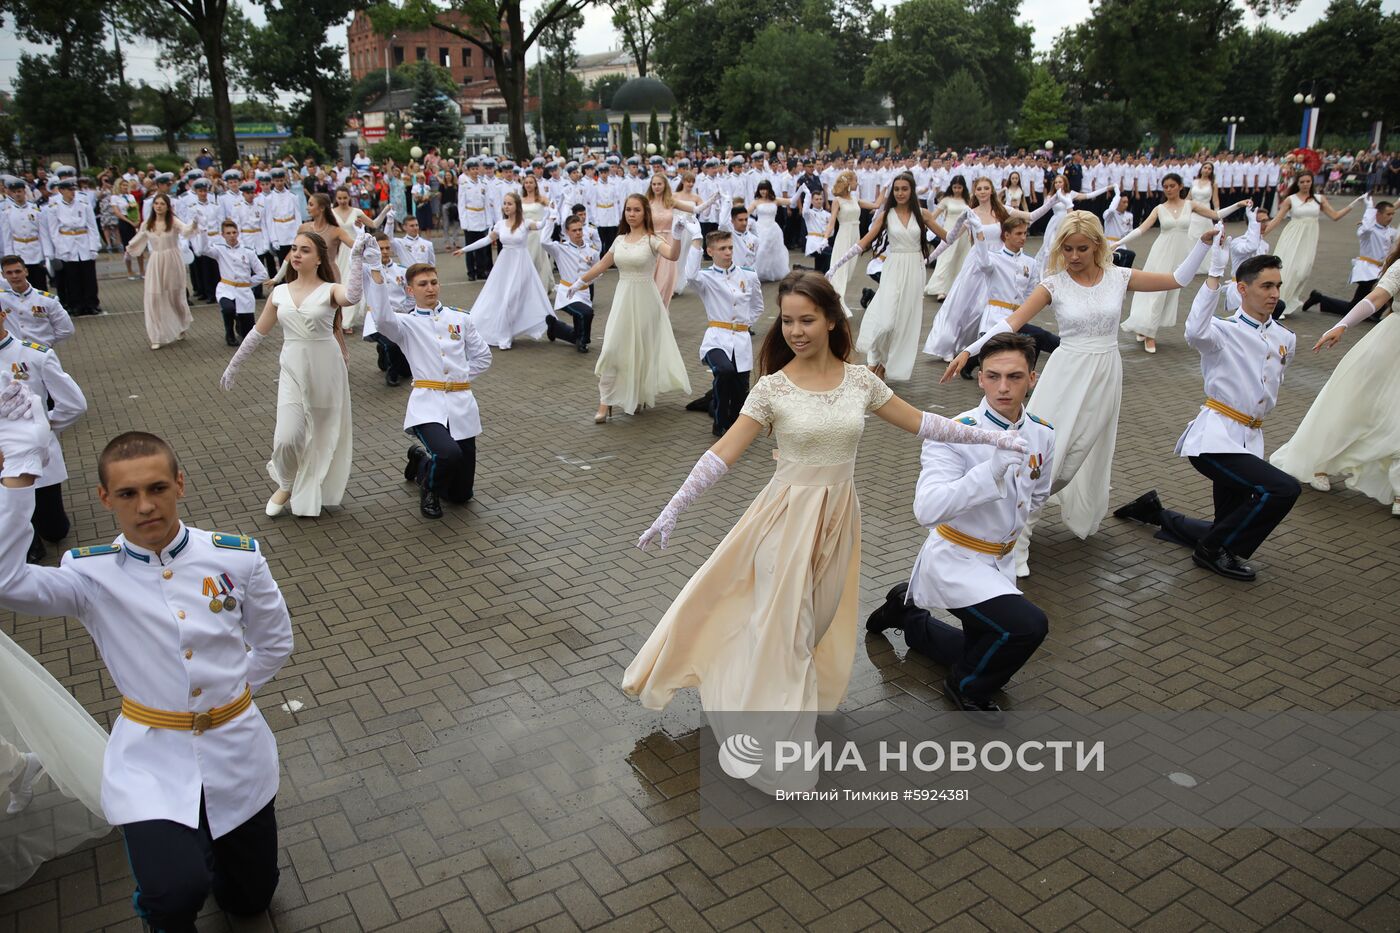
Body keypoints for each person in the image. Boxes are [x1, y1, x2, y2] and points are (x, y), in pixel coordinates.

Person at [620, 272, 1026, 792]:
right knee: (789, 635)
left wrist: (995, 439)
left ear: (832, 319)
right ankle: (780, 752)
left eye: (806, 319)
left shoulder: (860, 381)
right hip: (784, 523)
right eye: (787, 320)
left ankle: (747, 685)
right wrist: (674, 506)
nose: (795, 330)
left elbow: (924, 422)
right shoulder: (771, 389)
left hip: (838, 522)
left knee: (811, 626)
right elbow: (724, 452)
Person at [0, 421, 293, 933]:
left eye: (157, 488)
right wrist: (21, 478)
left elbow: (274, 644)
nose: (145, 507)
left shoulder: (235, 557)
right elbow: (7, 580)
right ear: (104, 497)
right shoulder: (89, 574)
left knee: (250, 900)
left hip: (237, 746)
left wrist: (228, 697)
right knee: (175, 892)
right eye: (127, 493)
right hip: (150, 757)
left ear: (179, 484)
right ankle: (163, 909)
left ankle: (221, 867)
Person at [943, 213, 1215, 576]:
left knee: (1074, 459)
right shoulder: (1054, 284)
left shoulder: (1120, 277)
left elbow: (1178, 279)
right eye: (1067, 249)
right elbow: (1011, 322)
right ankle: (1016, 540)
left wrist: (1204, 245)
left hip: (1105, 373)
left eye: (1082, 249)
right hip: (1065, 373)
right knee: (1043, 458)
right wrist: (970, 350)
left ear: (1098, 246)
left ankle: (1015, 518)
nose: (1073, 256)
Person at [866, 333, 1054, 723]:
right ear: (980, 378)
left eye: (1015, 377)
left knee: (984, 644)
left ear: (1032, 379)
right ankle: (966, 685)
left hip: (1001, 564)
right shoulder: (953, 431)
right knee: (1026, 628)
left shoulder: (1043, 433)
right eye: (993, 376)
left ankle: (908, 613)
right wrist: (990, 471)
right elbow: (927, 509)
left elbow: (1036, 496)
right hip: (956, 559)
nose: (1004, 387)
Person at [1113, 251, 1299, 581]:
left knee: (1225, 525)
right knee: (1282, 489)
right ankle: (1211, 552)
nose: (1274, 294)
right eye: (1266, 286)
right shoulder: (1221, 331)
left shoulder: (1285, 337)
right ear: (1242, 289)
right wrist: (1213, 275)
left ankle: (1155, 513)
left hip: (1251, 440)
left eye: (1278, 286)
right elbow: (1195, 330)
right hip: (1215, 439)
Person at [219, 232, 359, 518]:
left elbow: (352, 296)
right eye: (294, 249)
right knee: (287, 437)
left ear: (319, 258)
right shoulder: (279, 293)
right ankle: (285, 483)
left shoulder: (330, 290)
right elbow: (257, 333)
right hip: (292, 369)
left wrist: (356, 261)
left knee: (320, 435)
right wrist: (234, 364)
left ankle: (310, 487)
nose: (296, 254)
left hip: (326, 371)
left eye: (304, 250)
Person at [1271, 240, 1400, 516]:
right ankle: (1317, 460)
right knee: (1352, 406)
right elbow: (1375, 299)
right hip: (1390, 345)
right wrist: (1341, 325)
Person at [366, 255, 492, 519]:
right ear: (410, 290)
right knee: (448, 453)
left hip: (461, 404)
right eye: (423, 284)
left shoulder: (460, 318)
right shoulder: (405, 324)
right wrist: (376, 272)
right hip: (428, 404)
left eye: (434, 282)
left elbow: (483, 357)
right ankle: (429, 490)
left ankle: (420, 460)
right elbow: (381, 317)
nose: (430, 288)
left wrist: (460, 378)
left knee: (461, 495)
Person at [567, 194, 692, 422]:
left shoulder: (652, 240)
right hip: (623, 300)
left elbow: (673, 255)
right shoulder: (619, 240)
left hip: (646, 302)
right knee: (612, 350)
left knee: (641, 350)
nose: (631, 214)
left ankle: (639, 394)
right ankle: (605, 403)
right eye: (628, 210)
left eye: (636, 210)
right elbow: (602, 265)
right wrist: (578, 283)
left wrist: (676, 234)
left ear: (645, 213)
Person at [826, 172, 947, 382]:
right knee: (886, 321)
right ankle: (874, 361)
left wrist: (969, 223)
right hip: (893, 268)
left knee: (902, 323)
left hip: (914, 271)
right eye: (897, 189)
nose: (900, 193)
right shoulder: (886, 215)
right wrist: (837, 264)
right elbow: (862, 243)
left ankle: (882, 366)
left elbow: (948, 238)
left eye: (904, 189)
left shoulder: (923, 214)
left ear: (911, 190)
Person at [0, 301, 85, 562]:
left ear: (2, 315)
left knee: (55, 530)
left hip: (33, 452)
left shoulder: (34, 355)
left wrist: (43, 426)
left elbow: (74, 404)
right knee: (17, 521)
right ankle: (26, 543)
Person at [1114, 172, 1232, 353]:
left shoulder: (1190, 205)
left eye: (1172, 185)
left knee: (1169, 295)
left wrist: (1239, 205)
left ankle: (1145, 328)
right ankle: (1149, 335)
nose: (1169, 189)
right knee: (1156, 293)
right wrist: (1118, 243)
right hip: (1160, 254)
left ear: (1180, 187)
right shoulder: (1159, 208)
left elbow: (1216, 214)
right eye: (1166, 186)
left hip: (1179, 256)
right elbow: (1141, 229)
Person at [454, 192, 554, 350]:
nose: (506, 207)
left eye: (510, 204)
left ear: (517, 206)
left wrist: (550, 213)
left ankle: (505, 335)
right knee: (499, 299)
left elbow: (541, 225)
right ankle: (502, 333)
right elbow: (487, 240)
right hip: (504, 266)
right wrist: (465, 249)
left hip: (521, 266)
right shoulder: (500, 224)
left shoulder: (525, 223)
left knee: (510, 300)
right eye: (505, 203)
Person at [688, 230, 763, 437]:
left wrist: (743, 325)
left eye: (730, 247)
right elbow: (689, 275)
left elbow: (757, 306)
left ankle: (712, 403)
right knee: (724, 371)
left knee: (739, 397)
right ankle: (719, 423)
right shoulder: (705, 278)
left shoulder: (748, 275)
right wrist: (695, 240)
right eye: (722, 249)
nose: (728, 252)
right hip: (716, 339)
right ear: (710, 251)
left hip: (741, 340)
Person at [1263, 173, 1360, 316]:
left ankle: (1289, 301)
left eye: (1308, 181)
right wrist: (1260, 235)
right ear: (1297, 183)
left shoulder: (1319, 199)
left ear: (1312, 182)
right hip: (1292, 236)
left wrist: (1352, 206)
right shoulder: (1291, 199)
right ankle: (1278, 304)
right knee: (1288, 269)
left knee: (1302, 272)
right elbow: (1277, 219)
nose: (1305, 184)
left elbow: (1335, 216)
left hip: (1309, 239)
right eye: (1302, 181)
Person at [124, 193, 200, 350]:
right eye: (156, 203)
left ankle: (182, 324)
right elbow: (139, 238)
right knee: (153, 297)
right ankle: (156, 335)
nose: (159, 206)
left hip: (172, 261)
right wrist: (130, 247)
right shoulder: (148, 223)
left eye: (162, 204)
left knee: (174, 297)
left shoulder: (172, 221)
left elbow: (185, 231)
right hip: (155, 261)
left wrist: (193, 224)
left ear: (167, 207)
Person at [1302, 195, 1396, 319]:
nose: (1391, 217)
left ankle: (1373, 313)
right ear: (1377, 214)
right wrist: (1369, 207)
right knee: (1353, 308)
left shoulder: (1391, 231)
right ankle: (1320, 299)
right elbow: (1366, 227)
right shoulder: (1368, 230)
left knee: (1384, 295)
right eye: (1387, 214)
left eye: (1392, 214)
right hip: (1367, 271)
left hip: (1380, 270)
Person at [197, 219, 269, 347]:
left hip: (244, 292)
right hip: (226, 288)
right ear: (223, 235)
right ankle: (229, 333)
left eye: (234, 232)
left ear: (238, 233)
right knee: (228, 309)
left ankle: (240, 324)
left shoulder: (248, 252)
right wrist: (203, 232)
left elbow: (262, 274)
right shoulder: (220, 250)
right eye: (228, 233)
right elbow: (204, 250)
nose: (231, 236)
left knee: (247, 335)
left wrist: (248, 283)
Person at [540, 215, 600, 353]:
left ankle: (554, 327)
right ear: (567, 232)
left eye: (580, 229)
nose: (578, 233)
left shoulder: (592, 251)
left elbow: (598, 272)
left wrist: (591, 276)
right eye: (574, 230)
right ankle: (584, 342)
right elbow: (543, 242)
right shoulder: (560, 249)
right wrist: (550, 221)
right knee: (586, 313)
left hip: (584, 293)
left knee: (577, 332)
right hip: (567, 293)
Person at [45, 179, 102, 317]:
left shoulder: (83, 204)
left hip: (84, 242)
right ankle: (76, 305)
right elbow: (54, 232)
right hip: (67, 243)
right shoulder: (54, 207)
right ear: (61, 191)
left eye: (73, 189)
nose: (72, 193)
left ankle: (91, 304)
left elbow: (92, 226)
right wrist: (61, 249)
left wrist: (94, 246)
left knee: (89, 277)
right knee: (72, 278)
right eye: (69, 190)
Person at [362, 231, 412, 386]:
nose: (384, 252)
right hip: (377, 317)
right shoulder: (367, 270)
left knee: (407, 370)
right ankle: (392, 372)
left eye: (386, 248)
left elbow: (410, 295)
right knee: (392, 344)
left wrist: (404, 309)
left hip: (399, 315)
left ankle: (385, 355)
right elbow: (353, 263)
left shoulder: (402, 270)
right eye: (380, 248)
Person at [0, 255, 74, 347]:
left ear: (26, 272)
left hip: (40, 355)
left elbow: (66, 329)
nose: (14, 276)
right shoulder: (2, 298)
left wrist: (46, 342)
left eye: (18, 271)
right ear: (3, 275)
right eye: (9, 273)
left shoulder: (47, 300)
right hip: (13, 353)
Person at [1, 176, 52, 292]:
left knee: (40, 283)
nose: (17, 194)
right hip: (19, 251)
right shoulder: (7, 213)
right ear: (11, 194)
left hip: (36, 250)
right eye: (14, 192)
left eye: (19, 191)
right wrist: (9, 258)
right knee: (22, 285)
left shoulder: (35, 210)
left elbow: (43, 234)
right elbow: (7, 237)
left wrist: (47, 254)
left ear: (24, 191)